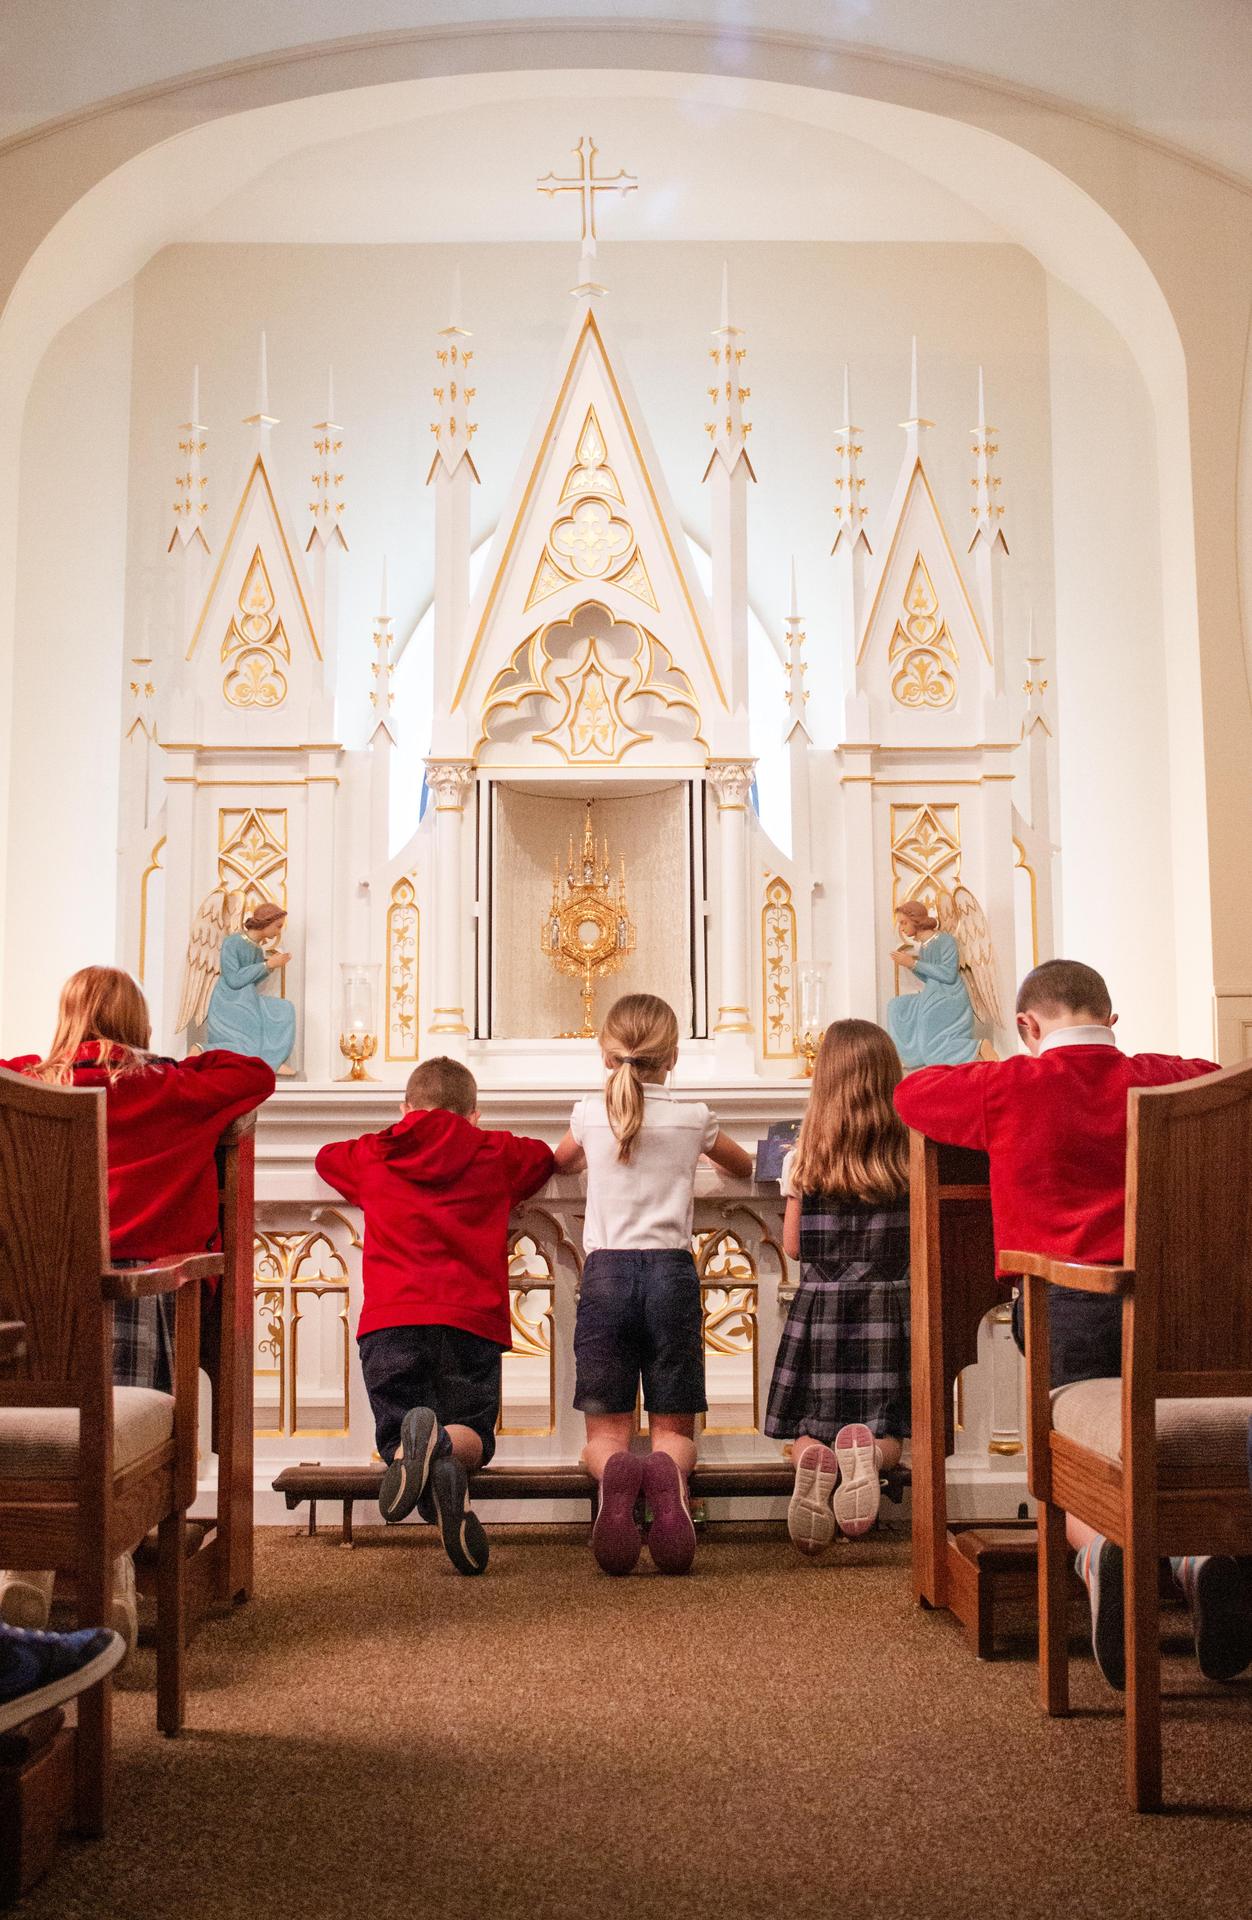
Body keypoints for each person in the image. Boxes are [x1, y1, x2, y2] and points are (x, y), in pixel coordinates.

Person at [893, 957, 1248, 1688]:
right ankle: (1197, 1559)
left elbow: (912, 1094)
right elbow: (1220, 1075)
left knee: (1064, 1457)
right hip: (1176, 1313)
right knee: (1159, 1429)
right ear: (1111, 1021)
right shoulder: (1165, 1075)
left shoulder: (1007, 1085)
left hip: (1068, 1310)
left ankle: (1094, 1553)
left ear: (1026, 1025)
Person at [0, 965, 275, 1644]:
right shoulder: (169, 1088)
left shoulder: (27, 1084)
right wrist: (161, 1057)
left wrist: (55, 1053)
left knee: (51, 1430)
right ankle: (114, 1579)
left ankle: (24, 1577)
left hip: (35, 1298)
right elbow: (253, 1073)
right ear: (140, 1025)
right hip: (135, 1298)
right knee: (116, 1443)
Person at [315, 1056, 554, 1576]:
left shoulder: (374, 1154)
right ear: (475, 1113)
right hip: (471, 1322)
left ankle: (427, 1450)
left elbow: (325, 1158)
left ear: (405, 1108)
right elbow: (543, 1158)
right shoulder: (495, 1152)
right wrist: (476, 1136)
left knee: (397, 1442)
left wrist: (400, 1130)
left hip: (391, 1321)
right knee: (475, 1433)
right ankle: (444, 1453)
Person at [552, 994, 754, 1577]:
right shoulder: (694, 1116)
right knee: (672, 1423)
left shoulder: (590, 1112)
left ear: (607, 1054)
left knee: (606, 1430)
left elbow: (561, 1164)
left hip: (608, 1277)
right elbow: (740, 1166)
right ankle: (667, 1475)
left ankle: (616, 1470)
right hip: (669, 1275)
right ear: (672, 1057)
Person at [765, 1021, 910, 1556]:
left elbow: (794, 1245)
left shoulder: (800, 1159)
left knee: (811, 1419)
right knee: (887, 1420)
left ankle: (812, 1459)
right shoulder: (908, 1155)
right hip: (887, 1305)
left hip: (820, 1308)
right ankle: (868, 1457)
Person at [886, 899, 977, 1070]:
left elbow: (949, 974)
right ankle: (910, 1056)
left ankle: (975, 1048)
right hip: (934, 993)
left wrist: (913, 963)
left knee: (925, 1018)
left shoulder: (945, 940)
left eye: (904, 923)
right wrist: (910, 964)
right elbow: (929, 977)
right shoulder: (925, 946)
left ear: (916, 920)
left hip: (950, 995)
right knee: (896, 1006)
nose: (902, 928)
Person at [205, 900, 296, 1072]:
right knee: (248, 1041)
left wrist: (270, 965)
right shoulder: (233, 942)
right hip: (229, 1000)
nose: (278, 932)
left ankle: (273, 1060)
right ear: (266, 922)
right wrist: (267, 965)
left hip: (247, 997)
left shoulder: (256, 949)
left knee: (285, 1008)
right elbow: (233, 979)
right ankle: (202, 1050)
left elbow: (252, 980)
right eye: (278, 926)